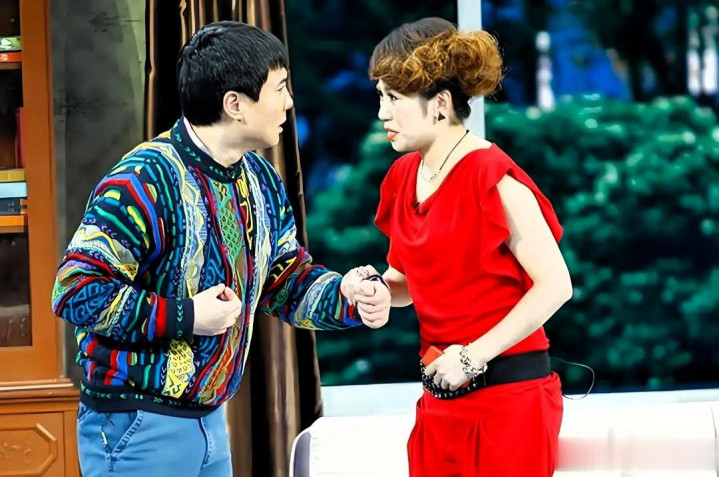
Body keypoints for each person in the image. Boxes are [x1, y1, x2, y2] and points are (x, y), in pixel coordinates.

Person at [51, 21, 390, 477]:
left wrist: (346, 295)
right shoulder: (142, 181)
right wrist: (188, 315)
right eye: (280, 88)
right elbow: (75, 290)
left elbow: (285, 281)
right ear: (235, 105)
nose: (289, 102)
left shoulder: (261, 179)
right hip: (136, 425)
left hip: (211, 421)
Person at [363, 17, 573, 476]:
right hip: (440, 402)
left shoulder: (492, 176)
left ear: (439, 104)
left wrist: (473, 355)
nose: (382, 113)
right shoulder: (402, 177)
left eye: (394, 99)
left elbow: (556, 285)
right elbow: (406, 283)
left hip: (509, 404)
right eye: (380, 97)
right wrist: (376, 291)